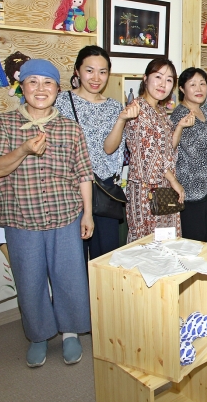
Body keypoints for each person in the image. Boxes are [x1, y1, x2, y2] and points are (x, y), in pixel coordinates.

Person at [0, 59, 94, 367]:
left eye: (47, 83)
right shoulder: (3, 124)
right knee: (30, 280)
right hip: (22, 218)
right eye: (33, 82)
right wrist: (23, 150)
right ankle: (37, 335)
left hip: (64, 215)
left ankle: (70, 332)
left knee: (70, 277)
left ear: (58, 90)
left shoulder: (70, 128)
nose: (40, 89)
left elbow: (83, 173)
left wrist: (87, 214)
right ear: (23, 87)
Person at [55, 45, 135, 260]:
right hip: (69, 190)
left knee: (105, 257)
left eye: (103, 71)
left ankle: (101, 295)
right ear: (77, 71)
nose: (96, 78)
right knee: (74, 258)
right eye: (89, 70)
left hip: (103, 189)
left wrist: (121, 119)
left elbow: (109, 149)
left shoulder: (113, 107)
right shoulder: (60, 102)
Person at [124, 58, 188, 242]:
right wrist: (174, 181)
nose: (163, 84)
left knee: (166, 240)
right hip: (147, 190)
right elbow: (149, 157)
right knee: (147, 243)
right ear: (145, 78)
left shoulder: (160, 110)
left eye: (169, 80)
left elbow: (168, 150)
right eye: (158, 77)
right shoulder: (138, 110)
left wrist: (180, 127)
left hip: (164, 186)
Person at [170, 67, 207, 242]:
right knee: (192, 240)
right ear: (182, 89)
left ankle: (202, 269)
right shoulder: (180, 114)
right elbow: (192, 149)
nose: (199, 88)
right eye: (192, 84)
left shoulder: (204, 111)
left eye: (202, 84)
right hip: (191, 187)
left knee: (203, 238)